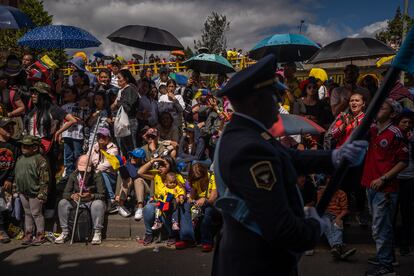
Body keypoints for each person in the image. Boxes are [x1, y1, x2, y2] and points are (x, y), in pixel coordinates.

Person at [211, 54, 368, 276]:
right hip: (258, 263)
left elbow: (288, 157)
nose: (279, 105)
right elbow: (280, 229)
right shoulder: (249, 147)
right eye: (274, 97)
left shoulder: (246, 133)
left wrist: (335, 156)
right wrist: (314, 227)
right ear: (256, 102)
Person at [361, 99, 409, 276]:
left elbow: (404, 161)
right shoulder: (373, 130)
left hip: (385, 188)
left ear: (393, 113)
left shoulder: (395, 133)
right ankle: (387, 257)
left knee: (380, 228)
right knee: (381, 226)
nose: (378, 109)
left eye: (382, 107)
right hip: (370, 184)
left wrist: (384, 178)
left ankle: (386, 266)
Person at [139, 156, 192, 246]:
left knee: (166, 209)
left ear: (170, 166)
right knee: (148, 208)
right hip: (158, 202)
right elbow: (140, 172)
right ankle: (149, 234)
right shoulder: (157, 175)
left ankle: (172, 235)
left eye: (164, 165)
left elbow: (182, 190)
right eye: (159, 165)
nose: (160, 167)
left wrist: (180, 198)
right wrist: (153, 160)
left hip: (172, 203)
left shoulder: (176, 176)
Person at [55, 155, 106, 245]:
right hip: (76, 201)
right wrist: (72, 196)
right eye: (81, 171)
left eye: (85, 171)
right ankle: (65, 231)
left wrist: (92, 196)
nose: (83, 173)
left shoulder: (97, 175)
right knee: (62, 203)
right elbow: (65, 193)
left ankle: (97, 232)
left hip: (91, 202)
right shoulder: (74, 175)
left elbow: (102, 195)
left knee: (98, 204)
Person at [15, 135, 50, 246]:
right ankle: (28, 234)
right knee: (27, 213)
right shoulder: (20, 158)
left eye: (27, 146)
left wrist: (42, 193)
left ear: (35, 148)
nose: (23, 148)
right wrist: (16, 188)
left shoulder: (40, 160)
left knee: (36, 213)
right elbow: (18, 174)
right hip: (23, 191)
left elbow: (44, 179)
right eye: (23, 145)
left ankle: (40, 235)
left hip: (35, 192)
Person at [176, 162, 218, 252]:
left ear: (204, 174)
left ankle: (207, 242)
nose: (197, 181)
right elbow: (192, 195)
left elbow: (213, 198)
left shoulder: (212, 177)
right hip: (199, 203)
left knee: (208, 210)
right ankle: (187, 238)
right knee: (185, 205)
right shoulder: (195, 179)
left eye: (199, 178)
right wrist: (188, 199)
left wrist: (205, 200)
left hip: (213, 205)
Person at [317, 186, 357, 261]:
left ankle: (336, 248)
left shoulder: (341, 193)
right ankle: (340, 247)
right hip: (324, 214)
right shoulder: (321, 192)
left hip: (337, 215)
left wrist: (338, 218)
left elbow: (345, 210)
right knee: (327, 226)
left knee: (337, 226)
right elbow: (319, 207)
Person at [395, 110, 414, 256]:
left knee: (406, 212)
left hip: (409, 178)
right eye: (404, 122)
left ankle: (405, 243)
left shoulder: (412, 138)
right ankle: (394, 241)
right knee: (392, 213)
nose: (407, 125)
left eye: (409, 123)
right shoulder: (393, 136)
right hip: (394, 178)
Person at [111, 69, 139, 155]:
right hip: (122, 121)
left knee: (130, 147)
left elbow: (128, 107)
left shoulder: (130, 89)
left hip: (129, 121)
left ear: (126, 79)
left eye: (119, 78)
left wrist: (117, 102)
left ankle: (134, 166)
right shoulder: (122, 90)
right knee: (123, 147)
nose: (117, 80)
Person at [90, 128, 119, 212]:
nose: (101, 138)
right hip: (96, 175)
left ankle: (111, 200)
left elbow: (107, 165)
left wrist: (95, 170)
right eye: (99, 136)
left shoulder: (113, 148)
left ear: (108, 137)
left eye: (104, 136)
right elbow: (88, 159)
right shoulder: (94, 147)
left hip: (110, 177)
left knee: (102, 173)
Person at [0, 118, 20, 243]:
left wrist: (10, 178)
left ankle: (7, 228)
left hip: (8, 181)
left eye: (11, 127)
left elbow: (17, 164)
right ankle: (1, 231)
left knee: (7, 207)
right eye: (6, 127)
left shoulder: (15, 145)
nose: (10, 130)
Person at [115, 148, 149, 220]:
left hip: (144, 193)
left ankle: (140, 208)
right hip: (129, 192)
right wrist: (117, 194)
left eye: (136, 157)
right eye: (132, 156)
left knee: (138, 180)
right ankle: (120, 206)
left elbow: (136, 175)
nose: (132, 158)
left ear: (141, 159)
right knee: (127, 179)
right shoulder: (127, 164)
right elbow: (120, 179)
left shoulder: (146, 166)